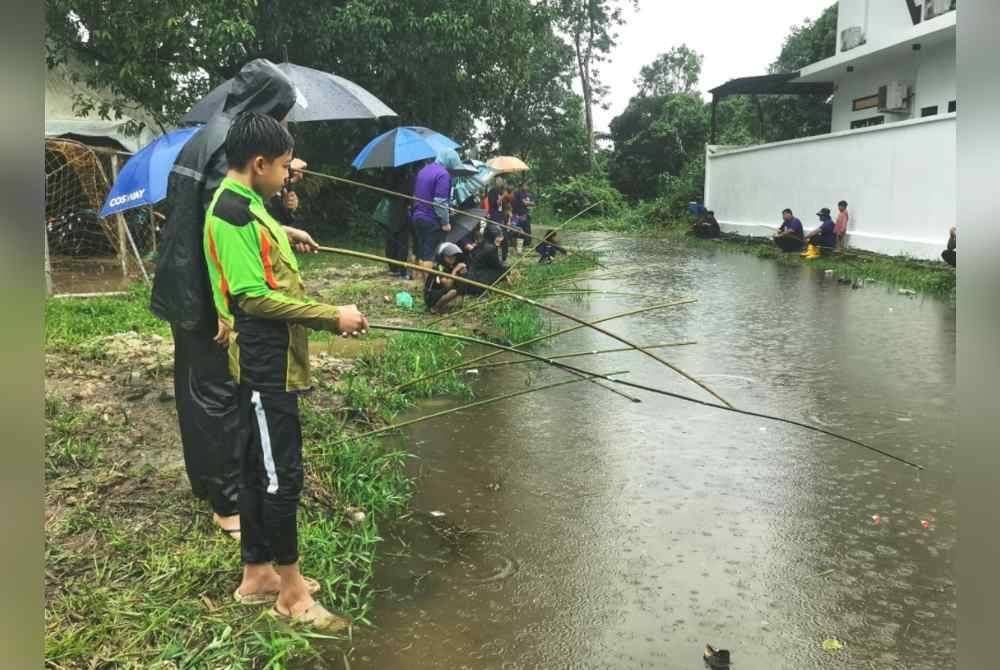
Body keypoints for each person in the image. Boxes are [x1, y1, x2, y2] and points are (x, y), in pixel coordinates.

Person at [203, 111, 368, 631]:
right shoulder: (232, 213)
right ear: (259, 164)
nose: (286, 176)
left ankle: (258, 574)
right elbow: (251, 298)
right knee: (281, 476)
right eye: (281, 167)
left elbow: (254, 242)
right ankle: (292, 596)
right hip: (264, 363)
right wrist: (330, 316)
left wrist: (284, 230)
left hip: (270, 360)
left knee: (259, 468)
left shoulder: (247, 205)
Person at [151, 59, 316, 541]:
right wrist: (227, 311)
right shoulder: (228, 146)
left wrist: (279, 228)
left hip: (183, 278)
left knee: (196, 390)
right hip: (204, 292)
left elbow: (221, 215)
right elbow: (224, 225)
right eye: (280, 113)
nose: (281, 125)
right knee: (220, 394)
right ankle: (226, 504)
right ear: (263, 106)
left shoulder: (206, 135)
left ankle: (208, 484)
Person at [411, 150, 462, 283]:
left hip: (417, 215)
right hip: (431, 218)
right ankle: (428, 285)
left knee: (420, 250)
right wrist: (445, 222)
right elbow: (439, 202)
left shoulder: (423, 170)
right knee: (430, 254)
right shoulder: (443, 174)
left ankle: (417, 280)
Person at [423, 242, 467, 313]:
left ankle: (446, 305)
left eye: (454, 256)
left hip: (440, 292)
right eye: (449, 256)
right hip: (431, 295)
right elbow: (447, 285)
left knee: (460, 286)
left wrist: (462, 273)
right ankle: (435, 308)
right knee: (453, 292)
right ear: (442, 256)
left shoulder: (450, 266)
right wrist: (455, 271)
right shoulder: (439, 268)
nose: (452, 258)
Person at [464, 224, 509, 291]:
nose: (501, 239)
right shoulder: (490, 248)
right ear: (492, 237)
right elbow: (498, 266)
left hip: (471, 274)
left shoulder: (482, 243)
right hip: (477, 280)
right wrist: (507, 272)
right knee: (504, 270)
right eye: (498, 237)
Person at [511, 181, 534, 253]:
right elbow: (525, 203)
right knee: (517, 230)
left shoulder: (527, 194)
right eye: (525, 185)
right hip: (518, 214)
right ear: (521, 186)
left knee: (527, 229)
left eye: (527, 185)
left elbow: (533, 203)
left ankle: (526, 244)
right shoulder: (518, 193)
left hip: (525, 214)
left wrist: (529, 203)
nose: (527, 187)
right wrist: (529, 203)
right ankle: (517, 246)